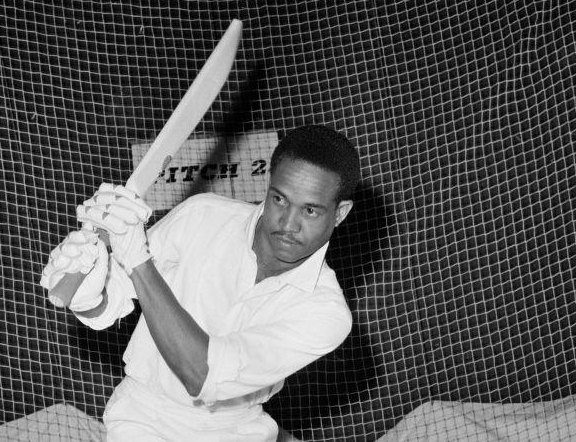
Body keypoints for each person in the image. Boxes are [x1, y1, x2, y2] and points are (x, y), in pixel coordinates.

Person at [41, 125, 360, 441]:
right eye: (279, 199)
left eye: (311, 210)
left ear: (340, 213)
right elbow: (112, 301)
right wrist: (88, 293)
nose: (288, 224)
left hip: (234, 431)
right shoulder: (203, 215)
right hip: (142, 419)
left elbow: (203, 374)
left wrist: (138, 260)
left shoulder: (326, 313)